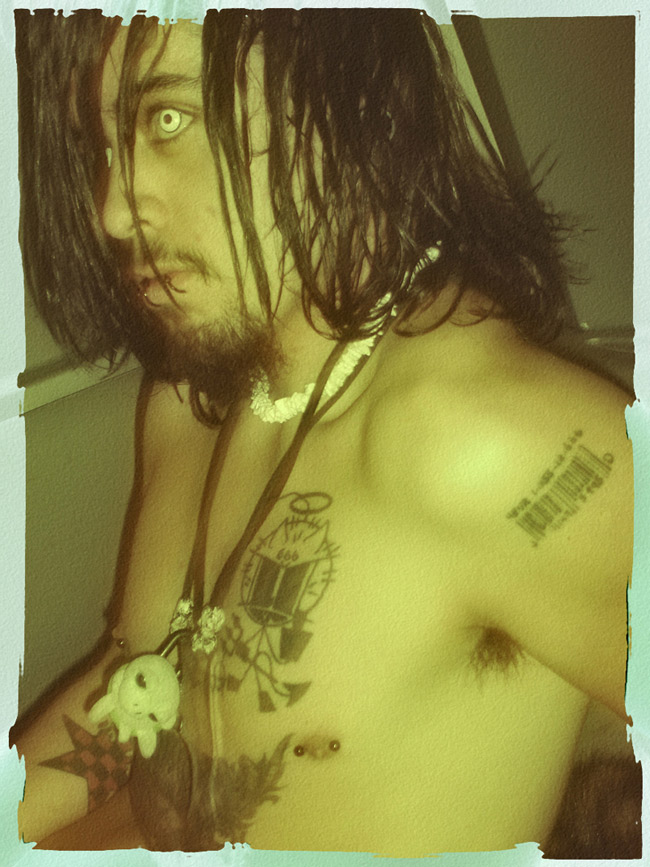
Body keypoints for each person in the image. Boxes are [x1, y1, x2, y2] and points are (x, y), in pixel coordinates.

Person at [11, 8, 637, 857]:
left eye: (167, 119)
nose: (115, 211)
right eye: (104, 145)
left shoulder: (487, 443)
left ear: (347, 97)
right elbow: (136, 671)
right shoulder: (186, 403)